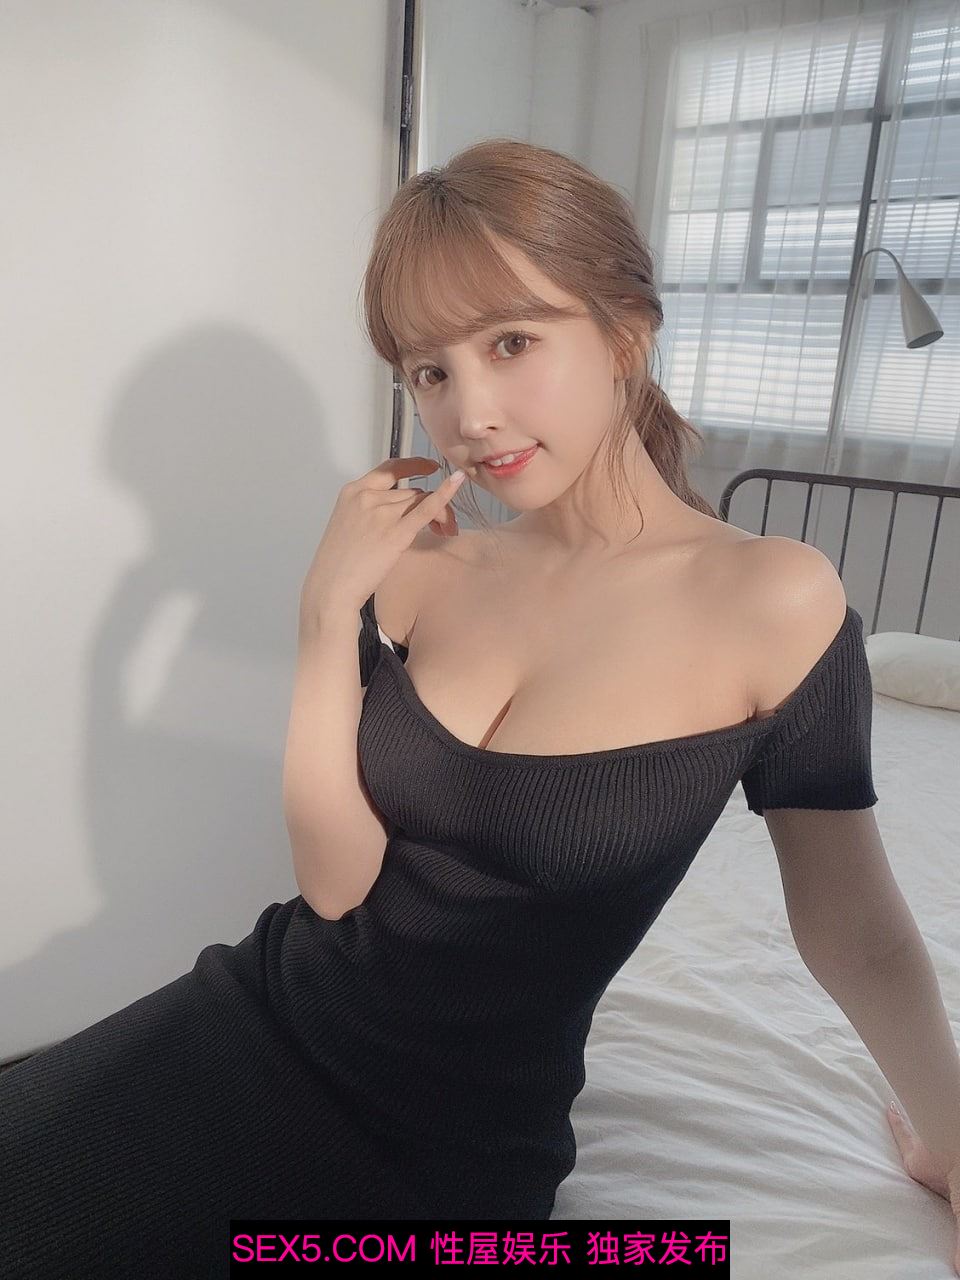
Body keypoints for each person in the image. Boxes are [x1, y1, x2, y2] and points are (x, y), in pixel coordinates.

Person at [1, 137, 890, 1277]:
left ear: (625, 331)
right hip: (255, 1014)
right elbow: (337, 886)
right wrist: (326, 615)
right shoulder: (428, 569)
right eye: (429, 371)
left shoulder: (773, 598)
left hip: (440, 1157)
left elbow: (855, 926)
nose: (470, 412)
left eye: (512, 342)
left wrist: (953, 1138)